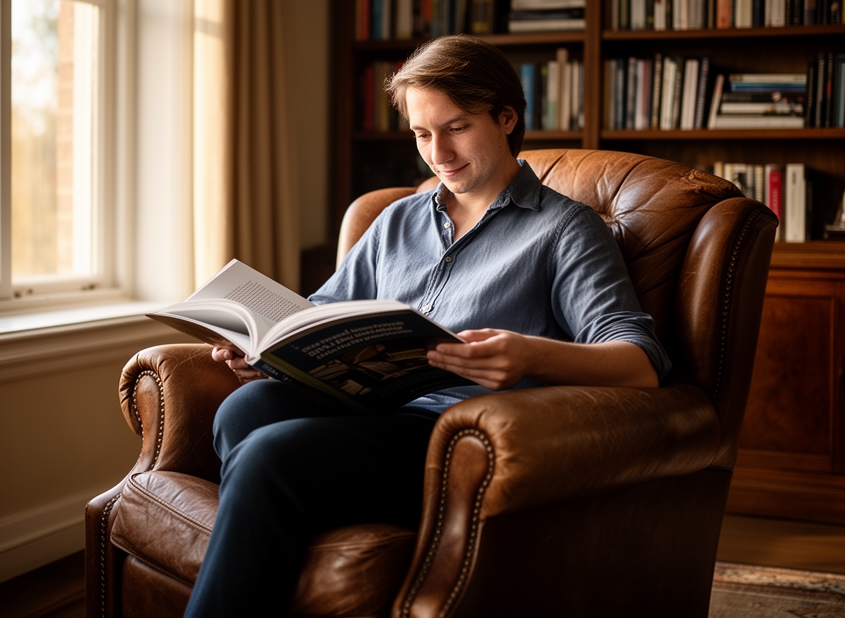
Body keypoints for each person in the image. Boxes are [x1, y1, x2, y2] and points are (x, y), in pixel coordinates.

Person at [182, 34, 670, 617]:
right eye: (421, 134)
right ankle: (285, 534)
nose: (438, 151)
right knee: (243, 409)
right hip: (367, 413)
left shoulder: (566, 229)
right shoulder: (397, 221)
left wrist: (530, 355)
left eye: (456, 126)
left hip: (454, 438)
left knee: (269, 456)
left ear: (506, 117)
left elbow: (640, 363)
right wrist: (260, 345)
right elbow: (319, 316)